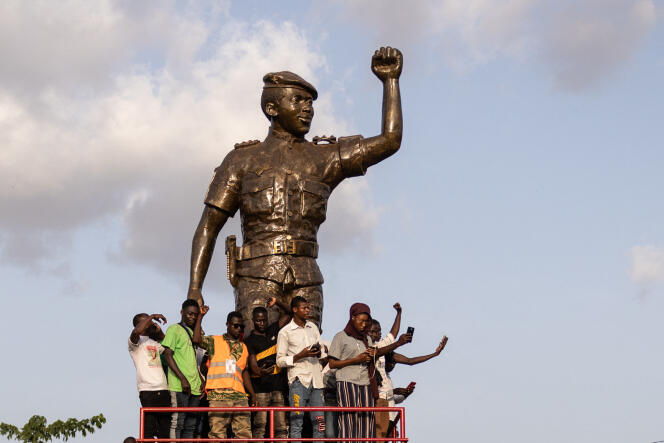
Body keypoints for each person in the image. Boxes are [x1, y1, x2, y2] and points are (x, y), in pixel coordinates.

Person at [187, 47, 405, 331]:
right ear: (272, 109)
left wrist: (391, 82)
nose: (308, 108)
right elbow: (208, 226)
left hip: (307, 277)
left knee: (308, 360)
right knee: (260, 357)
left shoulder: (324, 158)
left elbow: (390, 141)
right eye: (298, 100)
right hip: (257, 276)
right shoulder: (241, 160)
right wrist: (194, 286)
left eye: (311, 103)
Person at [328, 303, 411, 442]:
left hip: (366, 383)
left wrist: (397, 344)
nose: (364, 324)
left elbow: (378, 351)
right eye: (361, 321)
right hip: (347, 382)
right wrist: (355, 359)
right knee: (349, 420)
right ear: (353, 318)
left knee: (367, 420)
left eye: (366, 321)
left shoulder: (367, 339)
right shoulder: (341, 337)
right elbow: (332, 363)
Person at [193, 306, 256, 441]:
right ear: (227, 324)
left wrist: (253, 395)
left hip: (239, 396)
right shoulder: (214, 341)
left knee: (244, 434)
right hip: (218, 396)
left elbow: (244, 371)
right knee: (217, 434)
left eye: (241, 327)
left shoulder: (243, 347)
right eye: (236, 325)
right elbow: (197, 339)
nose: (239, 329)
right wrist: (200, 317)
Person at [276, 296, 327, 442]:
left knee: (320, 423)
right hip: (298, 381)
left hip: (317, 381)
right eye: (304, 308)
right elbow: (279, 361)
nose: (307, 310)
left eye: (308, 307)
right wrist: (300, 355)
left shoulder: (313, 327)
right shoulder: (285, 332)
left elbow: (322, 352)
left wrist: (318, 352)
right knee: (296, 422)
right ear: (294, 310)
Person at [245, 297, 292, 441]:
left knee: (281, 429)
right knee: (259, 427)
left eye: (264, 320)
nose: (262, 323)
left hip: (278, 389)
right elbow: (253, 368)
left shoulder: (274, 329)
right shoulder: (249, 340)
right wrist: (260, 372)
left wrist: (277, 301)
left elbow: (290, 312)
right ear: (253, 320)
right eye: (258, 320)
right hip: (260, 391)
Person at [161, 300, 203, 440]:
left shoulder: (192, 332)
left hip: (195, 386)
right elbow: (167, 355)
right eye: (190, 314)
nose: (193, 317)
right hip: (180, 386)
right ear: (182, 312)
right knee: (178, 422)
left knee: (191, 425)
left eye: (195, 315)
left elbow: (192, 359)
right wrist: (182, 378)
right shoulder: (174, 329)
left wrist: (200, 379)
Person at [128, 312, 170, 440]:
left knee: (165, 430)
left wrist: (159, 332)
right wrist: (151, 317)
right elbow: (135, 333)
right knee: (149, 430)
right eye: (145, 321)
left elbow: (168, 347)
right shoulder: (135, 342)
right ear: (139, 324)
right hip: (148, 390)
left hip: (163, 389)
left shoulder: (154, 342)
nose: (150, 323)